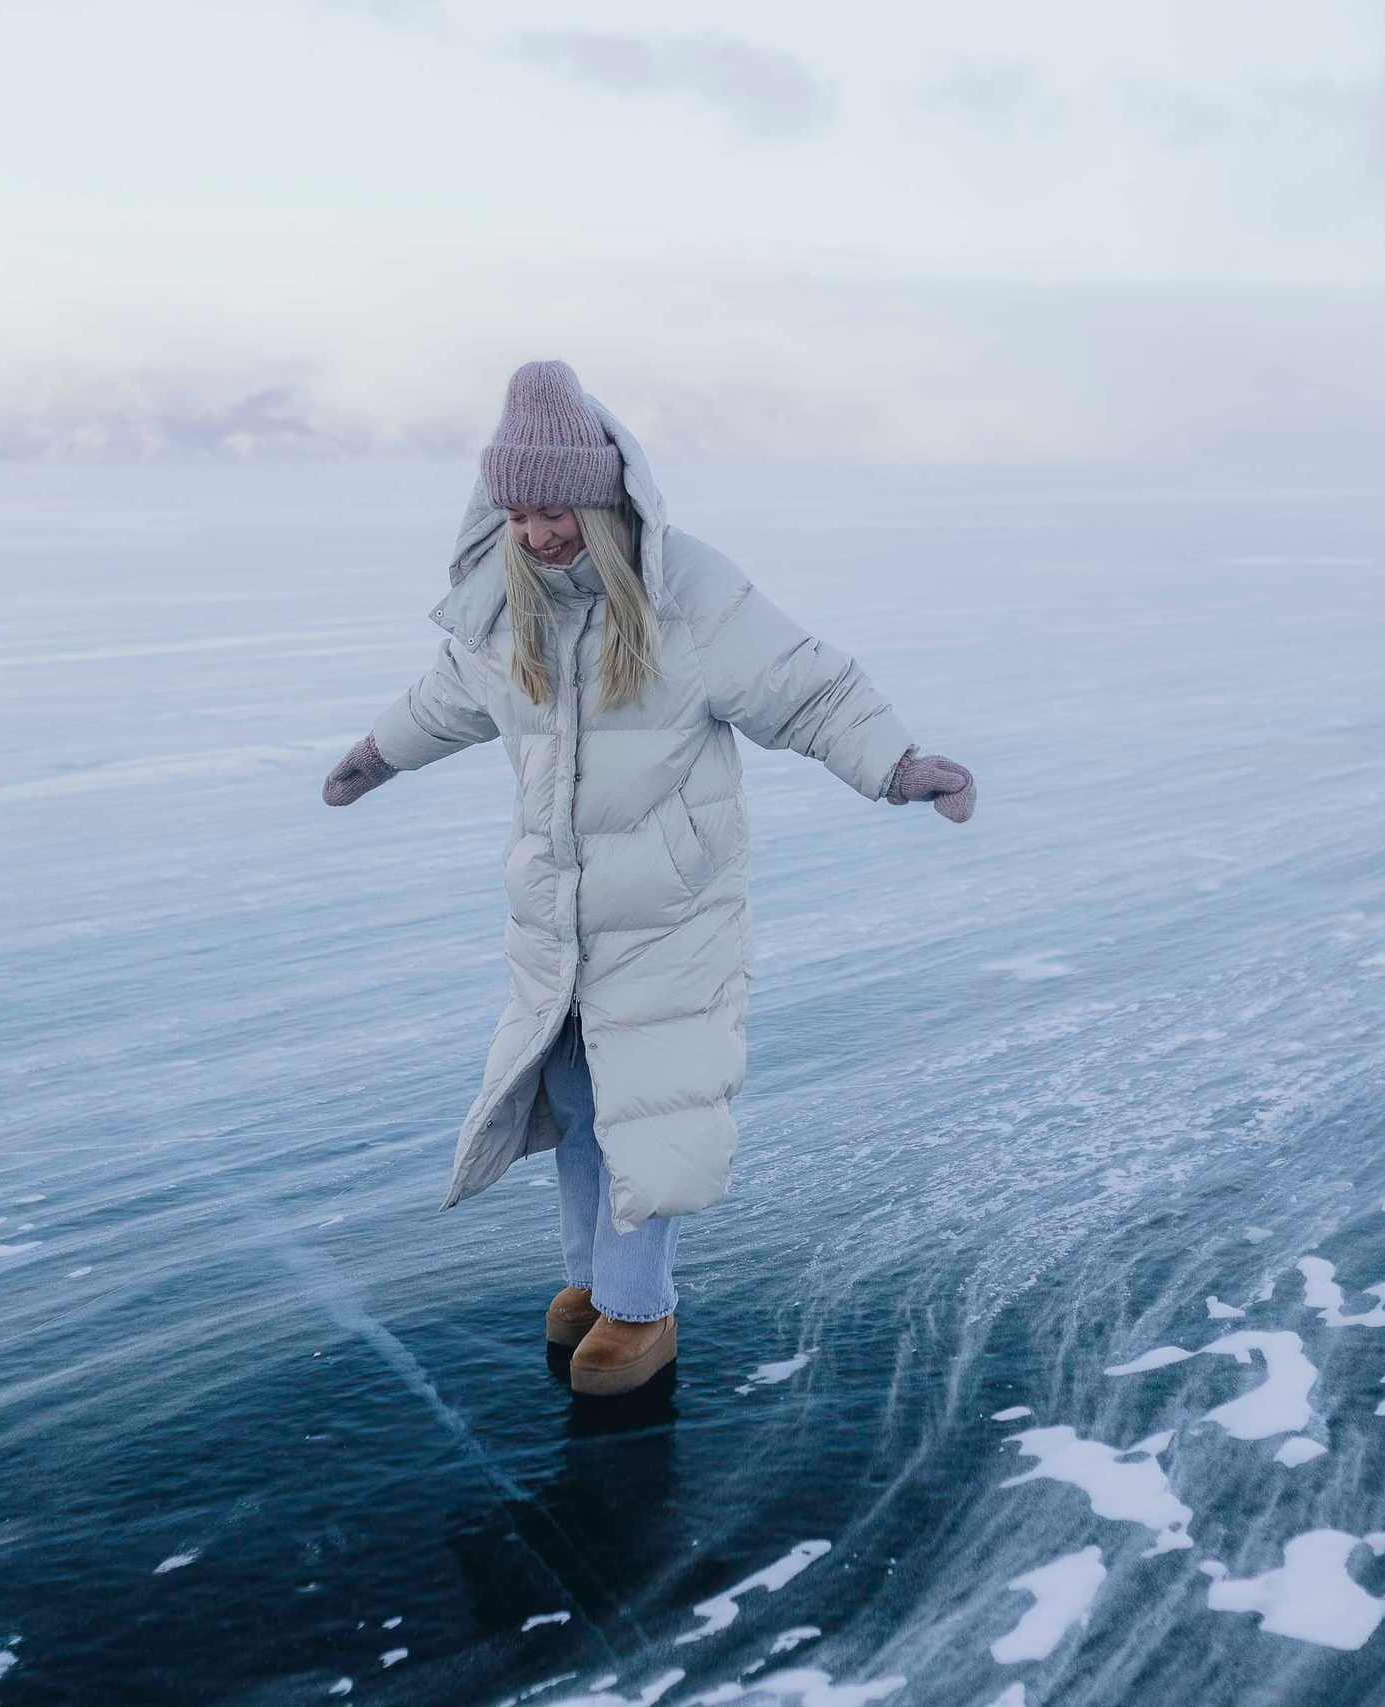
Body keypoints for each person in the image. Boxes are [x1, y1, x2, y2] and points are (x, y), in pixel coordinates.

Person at [323, 360, 974, 1397]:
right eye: (520, 514)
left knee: (653, 1110)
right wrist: (375, 755)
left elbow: (807, 688)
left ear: (602, 492)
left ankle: (641, 1311)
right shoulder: (507, 610)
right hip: (558, 921)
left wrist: (897, 768)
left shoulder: (688, 595)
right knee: (577, 1101)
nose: (537, 535)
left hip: (672, 916)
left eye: (556, 511)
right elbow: (449, 696)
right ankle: (589, 1282)